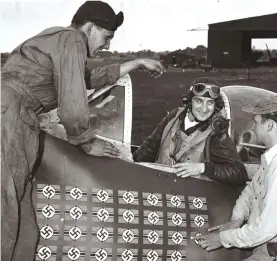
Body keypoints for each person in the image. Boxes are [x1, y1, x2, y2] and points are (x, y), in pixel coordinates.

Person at [1, 1, 164, 261]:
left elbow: (88, 78)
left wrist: (136, 63)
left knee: (20, 213)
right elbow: (73, 105)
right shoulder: (72, 39)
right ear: (89, 27)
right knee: (6, 207)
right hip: (9, 116)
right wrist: (86, 142)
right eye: (106, 37)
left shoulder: (63, 42)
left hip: (14, 114)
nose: (108, 45)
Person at [194, 97, 277, 260]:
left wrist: (223, 238)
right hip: (268, 247)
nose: (253, 129)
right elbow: (250, 191)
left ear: (269, 125)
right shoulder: (274, 159)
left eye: (256, 122)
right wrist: (237, 219)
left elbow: (266, 229)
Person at [133, 78, 248, 186]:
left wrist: (203, 168)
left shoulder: (216, 133)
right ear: (190, 101)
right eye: (199, 101)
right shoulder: (174, 117)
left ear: (216, 106)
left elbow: (239, 173)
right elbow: (149, 149)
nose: (204, 109)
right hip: (159, 187)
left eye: (210, 103)